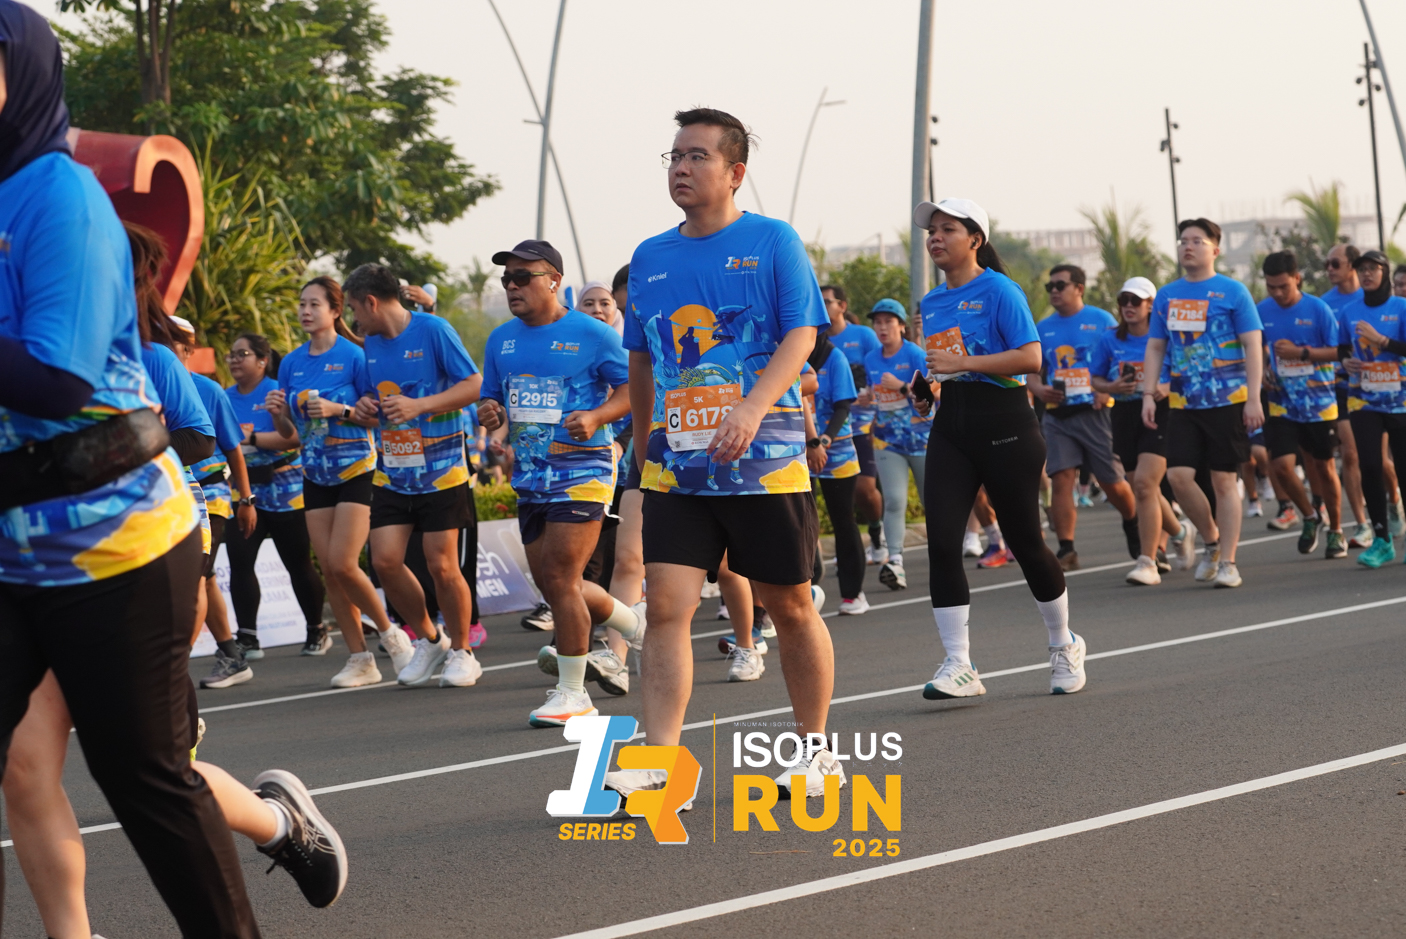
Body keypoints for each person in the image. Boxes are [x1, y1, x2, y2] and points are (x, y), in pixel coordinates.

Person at [0, 9, 287, 930]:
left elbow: (57, 379)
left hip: (115, 537)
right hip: (9, 547)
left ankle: (279, 833)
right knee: (19, 767)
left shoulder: (60, 197)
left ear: (21, 74)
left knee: (144, 776)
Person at [607, 107, 842, 801]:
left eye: (697, 156)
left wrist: (750, 407)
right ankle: (663, 764)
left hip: (765, 463)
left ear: (735, 172)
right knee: (666, 608)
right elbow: (642, 359)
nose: (681, 167)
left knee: (789, 606)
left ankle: (815, 750)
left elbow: (803, 335)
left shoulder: (773, 241)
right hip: (677, 468)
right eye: (674, 157)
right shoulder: (650, 256)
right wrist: (644, 451)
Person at [913, 197, 1083, 702]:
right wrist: (927, 390)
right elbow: (945, 367)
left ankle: (1064, 643)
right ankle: (959, 664)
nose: (935, 237)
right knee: (943, 544)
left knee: (1026, 542)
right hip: (952, 428)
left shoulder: (1000, 290)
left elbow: (1031, 358)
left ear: (975, 240)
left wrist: (965, 363)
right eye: (931, 230)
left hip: (1006, 425)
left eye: (947, 229)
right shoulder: (931, 302)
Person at [477, 239, 641, 725]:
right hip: (531, 477)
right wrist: (490, 413)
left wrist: (597, 416)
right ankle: (633, 622)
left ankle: (573, 695)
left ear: (553, 281)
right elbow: (491, 399)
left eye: (522, 277)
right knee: (556, 584)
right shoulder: (501, 340)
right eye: (507, 279)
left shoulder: (593, 334)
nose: (512, 286)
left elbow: (634, 388)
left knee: (562, 577)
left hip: (583, 470)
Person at [266, 276, 416, 687]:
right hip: (314, 472)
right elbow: (288, 434)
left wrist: (338, 409)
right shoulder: (291, 363)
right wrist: (278, 412)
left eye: (314, 304)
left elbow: (376, 416)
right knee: (330, 571)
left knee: (343, 563)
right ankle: (360, 659)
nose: (305, 311)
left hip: (356, 468)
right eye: (302, 304)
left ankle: (392, 636)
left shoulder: (355, 355)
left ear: (336, 310)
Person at [348, 263, 485, 686]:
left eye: (354, 308)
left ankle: (462, 652)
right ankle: (431, 638)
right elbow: (374, 398)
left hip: (442, 469)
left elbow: (474, 384)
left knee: (441, 565)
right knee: (384, 562)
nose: (353, 319)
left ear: (371, 302)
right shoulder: (371, 344)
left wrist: (420, 406)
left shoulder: (433, 330)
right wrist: (366, 407)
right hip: (393, 470)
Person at [1142, 218, 1264, 588]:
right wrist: (1148, 393)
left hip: (1228, 401)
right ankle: (1211, 540)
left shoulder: (1233, 291)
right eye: (1183, 240)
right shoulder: (1167, 295)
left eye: (1197, 240)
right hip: (1184, 402)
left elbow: (1253, 345)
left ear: (1215, 249)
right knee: (1178, 478)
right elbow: (1156, 347)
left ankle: (1228, 561)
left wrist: (1254, 398)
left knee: (1224, 480)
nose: (1188, 246)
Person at [166, 318, 260, 687]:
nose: (163, 350)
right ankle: (232, 655)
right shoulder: (152, 383)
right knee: (206, 579)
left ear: (188, 350)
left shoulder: (207, 389)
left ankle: (175, 668)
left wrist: (246, 499)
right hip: (172, 492)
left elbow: (233, 448)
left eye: (172, 344)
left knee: (198, 576)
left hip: (212, 494)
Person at [224, 332, 329, 656]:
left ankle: (316, 629)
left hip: (286, 490)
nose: (234, 360)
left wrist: (250, 438)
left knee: (297, 562)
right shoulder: (224, 397)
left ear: (262, 361)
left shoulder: (276, 392)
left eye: (242, 354)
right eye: (231, 355)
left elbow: (294, 438)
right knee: (240, 561)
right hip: (243, 491)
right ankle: (247, 637)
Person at [1028, 264, 1140, 570]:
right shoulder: (1043, 328)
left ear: (1079, 288)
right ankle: (1067, 549)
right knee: (1061, 478)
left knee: (1110, 481)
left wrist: (1107, 389)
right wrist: (1039, 390)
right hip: (1058, 414)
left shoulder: (1102, 320)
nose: (1053, 291)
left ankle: (1133, 521)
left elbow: (1121, 358)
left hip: (1096, 411)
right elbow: (1032, 371)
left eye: (1060, 285)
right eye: (1050, 286)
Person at [1091, 277, 1195, 585]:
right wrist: (1112, 387)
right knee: (1142, 487)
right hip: (1124, 413)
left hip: (1161, 412)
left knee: (1146, 485)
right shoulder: (1110, 338)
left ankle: (1148, 560)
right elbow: (1095, 378)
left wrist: (1164, 386)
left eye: (1135, 301)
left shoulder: (1165, 337)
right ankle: (1180, 531)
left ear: (1151, 305)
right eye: (1123, 300)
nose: (1128, 306)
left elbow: (1187, 371)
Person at [1256, 251, 1345, 558]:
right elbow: (1255, 351)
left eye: (1284, 286)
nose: (1278, 293)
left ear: (1297, 279)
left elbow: (1339, 352)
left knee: (1324, 467)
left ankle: (1336, 531)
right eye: (1271, 287)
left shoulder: (1318, 309)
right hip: (1281, 402)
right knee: (1280, 466)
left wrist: (1301, 353)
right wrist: (1262, 373)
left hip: (1319, 402)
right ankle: (1310, 516)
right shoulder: (1261, 311)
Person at [1336, 249, 1406, 567]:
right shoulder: (1349, 311)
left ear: (1384, 273)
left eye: (1373, 269)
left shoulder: (1401, 307)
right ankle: (1381, 540)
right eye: (1361, 269)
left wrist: (1382, 341)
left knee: (1403, 467)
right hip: (1362, 398)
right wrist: (1345, 362)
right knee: (1370, 465)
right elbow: (1342, 348)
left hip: (1399, 399)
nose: (1366, 274)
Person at [864, 297, 932, 591]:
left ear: (902, 326)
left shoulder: (915, 354)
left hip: (922, 439)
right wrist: (868, 398)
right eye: (877, 323)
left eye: (888, 322)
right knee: (893, 500)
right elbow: (876, 394)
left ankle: (944, 556)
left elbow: (933, 393)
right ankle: (895, 562)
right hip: (886, 441)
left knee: (933, 502)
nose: (882, 328)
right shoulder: (871, 358)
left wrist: (902, 387)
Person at [821, 284, 886, 561]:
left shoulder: (863, 335)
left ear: (842, 306)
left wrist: (874, 393)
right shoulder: (814, 340)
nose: (822, 306)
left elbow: (882, 368)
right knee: (839, 498)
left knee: (864, 489)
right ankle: (848, 550)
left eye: (827, 302)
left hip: (863, 424)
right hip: (829, 429)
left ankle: (877, 534)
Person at [808, 330, 867, 613]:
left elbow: (843, 407)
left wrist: (824, 441)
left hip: (836, 451)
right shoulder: (790, 354)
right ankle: (807, 587)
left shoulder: (836, 359)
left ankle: (853, 594)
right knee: (802, 522)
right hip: (802, 451)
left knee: (843, 521)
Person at [1322, 243, 1373, 547]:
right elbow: (1329, 346)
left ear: (1352, 266)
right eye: (1326, 264)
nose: (1329, 269)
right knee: (1350, 454)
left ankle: (1394, 501)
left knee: (1380, 461)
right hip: (1341, 388)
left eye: (1335, 263)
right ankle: (1362, 523)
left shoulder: (1371, 299)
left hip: (1378, 387)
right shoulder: (1324, 303)